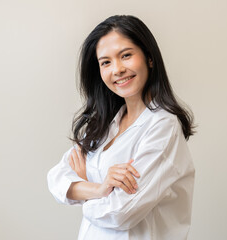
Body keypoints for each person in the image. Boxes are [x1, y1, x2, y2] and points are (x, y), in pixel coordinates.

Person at [47, 15, 196, 240]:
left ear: (149, 58)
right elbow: (56, 178)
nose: (117, 69)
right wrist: (99, 189)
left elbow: (121, 212)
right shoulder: (103, 125)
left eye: (126, 55)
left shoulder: (163, 126)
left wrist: (83, 189)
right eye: (106, 62)